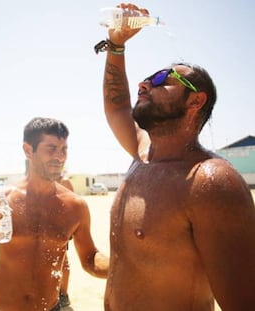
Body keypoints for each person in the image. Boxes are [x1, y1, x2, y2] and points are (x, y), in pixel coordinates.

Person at [98, 3, 255, 310]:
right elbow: (116, 106)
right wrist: (116, 45)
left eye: (161, 81)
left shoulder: (210, 182)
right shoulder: (143, 155)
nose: (145, 84)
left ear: (195, 100)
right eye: (148, 79)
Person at [0, 117, 109, 311]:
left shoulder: (75, 207)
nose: (60, 157)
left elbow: (90, 258)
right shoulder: (2, 200)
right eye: (51, 149)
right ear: (28, 150)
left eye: (64, 149)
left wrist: (120, 268)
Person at [57, 174, 74, 308]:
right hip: (40, 225)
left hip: (59, 226)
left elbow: (73, 203)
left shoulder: (64, 181)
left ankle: (63, 294)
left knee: (63, 261)